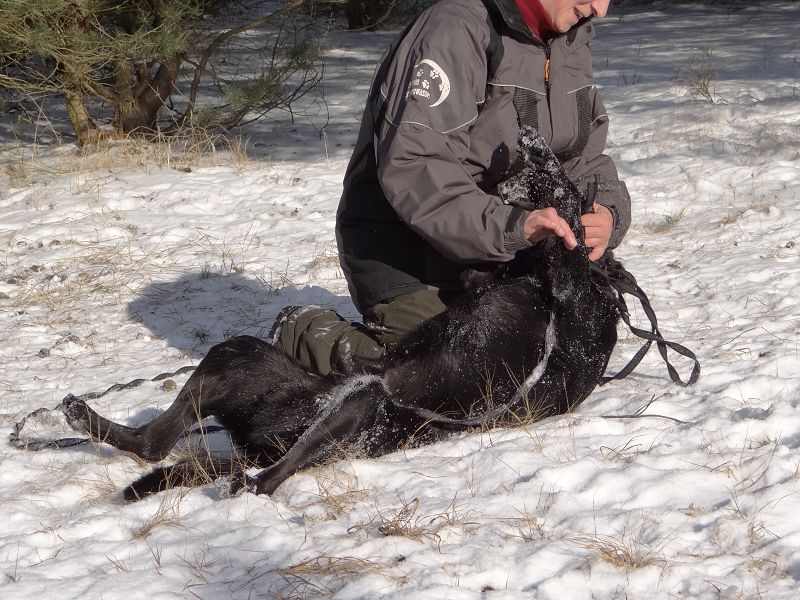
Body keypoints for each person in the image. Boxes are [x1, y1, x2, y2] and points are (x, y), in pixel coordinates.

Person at [272, 0, 631, 375]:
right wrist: (511, 227)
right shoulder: (455, 29)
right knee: (441, 376)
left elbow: (580, 159)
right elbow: (416, 167)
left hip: (504, 244)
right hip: (409, 249)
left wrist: (608, 212)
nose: (601, 9)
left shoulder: (568, 39)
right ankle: (303, 332)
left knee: (566, 350)